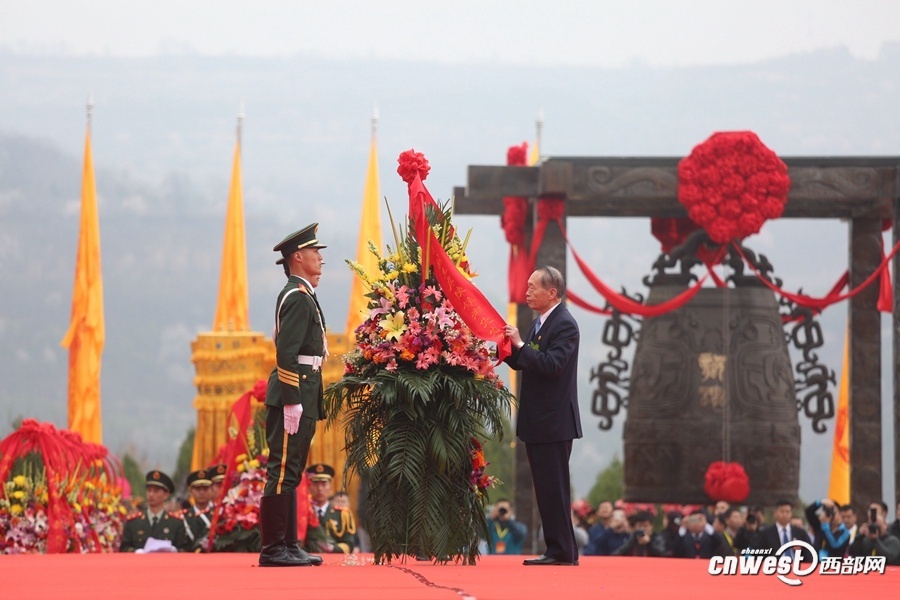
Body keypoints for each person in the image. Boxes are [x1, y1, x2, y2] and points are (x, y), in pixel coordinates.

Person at [258, 223, 328, 568]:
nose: (320, 258)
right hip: (295, 389)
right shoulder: (297, 297)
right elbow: (286, 353)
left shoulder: (303, 294)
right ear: (298, 257)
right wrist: (292, 398)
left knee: (293, 470)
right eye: (316, 252)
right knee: (283, 468)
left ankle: (288, 544)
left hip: (305, 388)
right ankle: (273, 549)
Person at [504, 266, 582, 567]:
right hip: (539, 421)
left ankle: (562, 551)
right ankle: (558, 550)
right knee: (546, 489)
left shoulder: (565, 324)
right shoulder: (540, 323)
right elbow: (527, 363)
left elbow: (552, 365)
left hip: (555, 421)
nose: (527, 292)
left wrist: (521, 345)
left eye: (533, 286)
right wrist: (509, 349)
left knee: (555, 489)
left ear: (552, 292)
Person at [119, 470, 189, 552]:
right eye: (149, 490)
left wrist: (174, 551)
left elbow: (184, 549)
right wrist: (136, 552)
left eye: (156, 491)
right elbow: (124, 548)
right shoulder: (133, 523)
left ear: (166, 495)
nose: (151, 494)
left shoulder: (176, 523)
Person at [305, 463, 357, 554]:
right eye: (315, 484)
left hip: (334, 562)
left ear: (330, 488)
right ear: (309, 487)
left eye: (324, 484)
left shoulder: (342, 514)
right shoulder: (302, 513)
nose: (320, 488)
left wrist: (333, 548)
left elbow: (349, 544)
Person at [182, 468, 214, 552]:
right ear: (190, 491)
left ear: (211, 490)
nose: (202, 492)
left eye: (205, 489)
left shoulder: (218, 515)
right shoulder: (183, 517)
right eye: (198, 489)